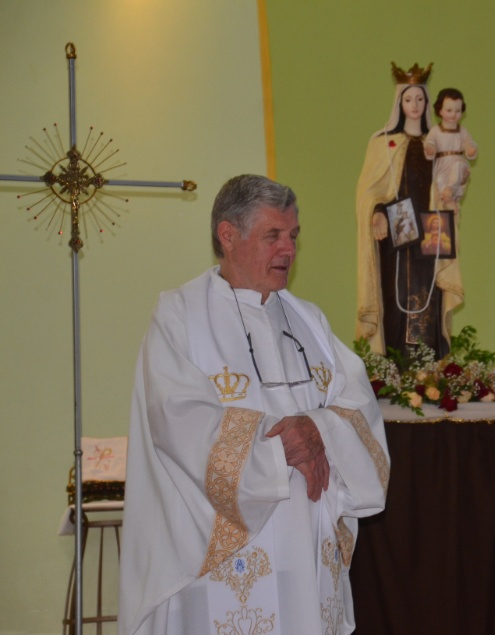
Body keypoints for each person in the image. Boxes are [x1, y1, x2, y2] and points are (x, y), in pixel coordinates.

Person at [119, 175, 389, 635]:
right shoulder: (179, 315)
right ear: (228, 235)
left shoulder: (310, 320)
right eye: (273, 236)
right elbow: (176, 417)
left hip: (305, 553)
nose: (288, 250)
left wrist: (318, 430)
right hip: (223, 563)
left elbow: (357, 403)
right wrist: (280, 449)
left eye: (293, 237)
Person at [355, 63, 463, 359]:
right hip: (397, 230)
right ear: (399, 103)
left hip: (431, 230)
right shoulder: (383, 143)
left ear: (427, 102)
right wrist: (377, 211)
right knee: (397, 296)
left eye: (419, 99)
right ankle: (395, 363)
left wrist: (452, 195)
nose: (414, 105)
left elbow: (452, 178)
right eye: (408, 99)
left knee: (430, 296)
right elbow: (369, 190)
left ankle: (429, 367)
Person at [423, 88, 478, 212]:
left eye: (458, 111)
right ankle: (447, 200)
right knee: (440, 179)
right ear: (440, 111)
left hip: (457, 160)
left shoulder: (462, 130)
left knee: (458, 168)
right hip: (442, 164)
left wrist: (470, 149)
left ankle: (451, 190)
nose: (454, 114)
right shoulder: (436, 130)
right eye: (449, 110)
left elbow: (469, 142)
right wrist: (430, 148)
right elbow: (430, 141)